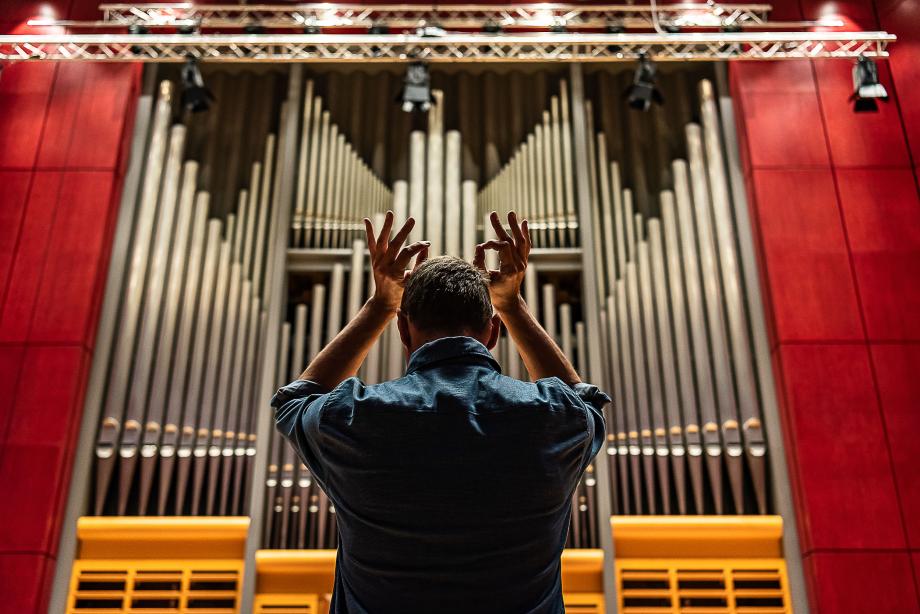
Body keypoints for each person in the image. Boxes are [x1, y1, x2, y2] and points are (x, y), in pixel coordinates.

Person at [272, 211, 609, 614]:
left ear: (401, 330)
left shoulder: (353, 417)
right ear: (493, 331)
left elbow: (295, 401)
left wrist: (380, 304)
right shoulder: (553, 417)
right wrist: (514, 306)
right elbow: (584, 402)